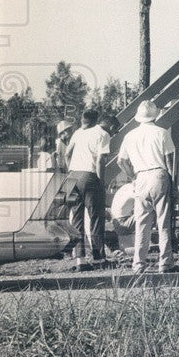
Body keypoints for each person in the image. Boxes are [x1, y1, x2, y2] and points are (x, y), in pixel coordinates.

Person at [117, 100, 179, 275]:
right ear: (155, 115)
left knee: (142, 224)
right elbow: (171, 162)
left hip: (141, 177)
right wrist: (174, 186)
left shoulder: (130, 136)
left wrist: (133, 176)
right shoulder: (161, 132)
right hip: (159, 175)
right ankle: (165, 262)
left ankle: (138, 264)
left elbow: (121, 161)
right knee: (163, 222)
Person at [65, 109, 111, 270]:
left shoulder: (78, 132)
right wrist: (101, 180)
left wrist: (69, 170)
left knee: (77, 219)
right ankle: (98, 258)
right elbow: (100, 160)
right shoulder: (102, 134)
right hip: (90, 176)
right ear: (97, 119)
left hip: (73, 175)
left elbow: (66, 153)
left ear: (82, 120)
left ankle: (80, 261)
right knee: (96, 218)